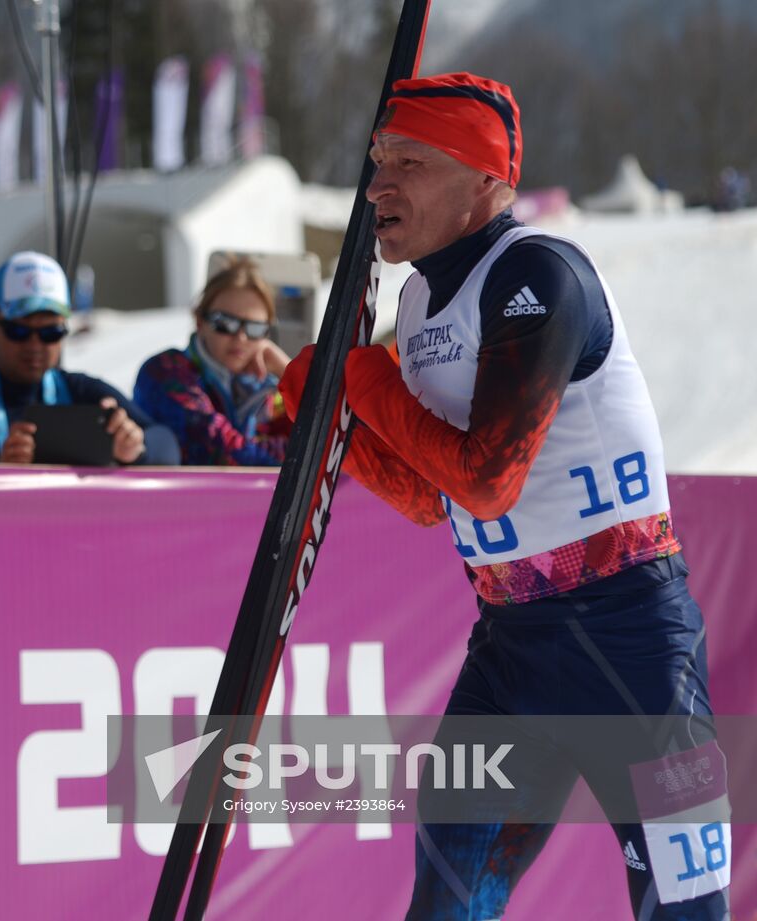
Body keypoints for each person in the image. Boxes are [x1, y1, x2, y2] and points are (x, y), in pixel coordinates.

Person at [279, 72, 727, 919]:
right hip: (513, 644)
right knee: (447, 895)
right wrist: (336, 422)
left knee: (684, 904)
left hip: (630, 633)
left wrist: (362, 385)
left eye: (409, 161)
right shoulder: (415, 304)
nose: (378, 183)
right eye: (378, 159)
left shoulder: (540, 273)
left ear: (483, 179)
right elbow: (430, 496)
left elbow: (487, 478)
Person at [0, 251, 179, 465]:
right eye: (19, 330)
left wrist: (136, 447)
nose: (35, 345)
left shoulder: (81, 391)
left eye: (51, 332)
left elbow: (167, 444)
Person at [132, 257, 294, 465]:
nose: (241, 338)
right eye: (225, 323)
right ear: (200, 322)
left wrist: (288, 371)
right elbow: (223, 453)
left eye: (255, 328)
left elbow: (330, 441)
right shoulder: (165, 371)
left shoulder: (267, 389)